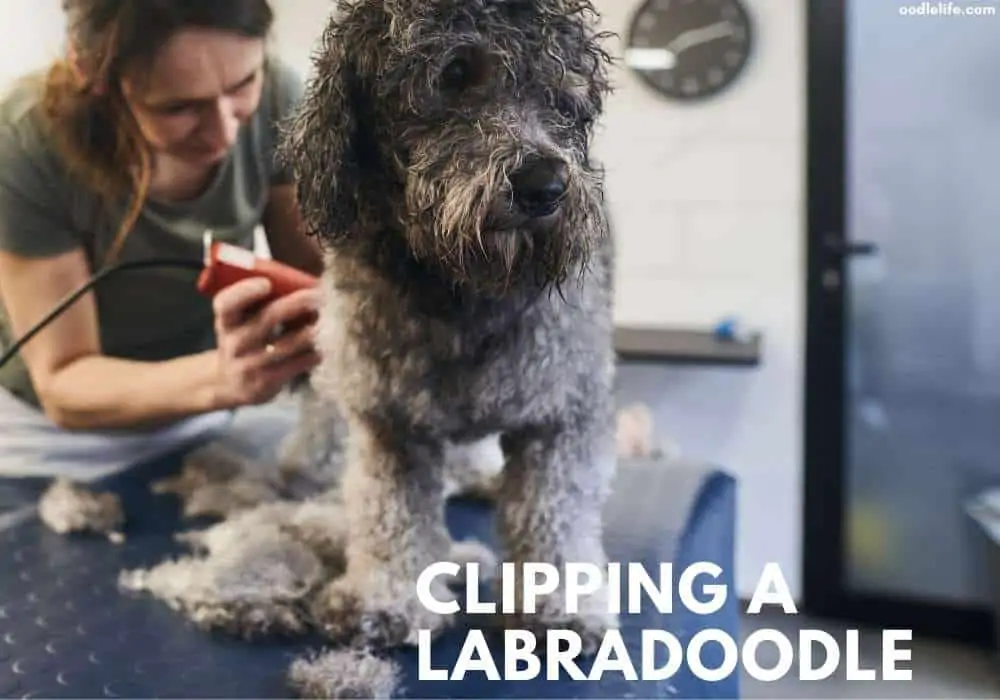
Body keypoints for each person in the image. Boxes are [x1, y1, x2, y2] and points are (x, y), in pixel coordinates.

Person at [0, 0, 324, 479]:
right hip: (59, 442)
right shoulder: (24, 145)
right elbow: (63, 379)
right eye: (178, 107)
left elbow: (321, 280)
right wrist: (222, 378)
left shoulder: (279, 97)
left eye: (243, 85)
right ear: (93, 77)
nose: (225, 131)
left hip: (210, 410)